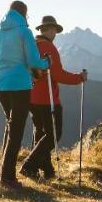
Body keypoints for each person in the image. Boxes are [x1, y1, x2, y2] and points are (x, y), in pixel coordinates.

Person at [0, 1, 50, 188]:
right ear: (24, 14)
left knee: (10, 127)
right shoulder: (25, 32)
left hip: (0, 86)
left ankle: (4, 175)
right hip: (20, 86)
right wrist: (46, 63)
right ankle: (7, 178)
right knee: (16, 132)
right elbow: (33, 60)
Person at [21, 15, 87, 180]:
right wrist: (79, 78)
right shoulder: (49, 48)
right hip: (47, 99)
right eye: (54, 30)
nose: (55, 34)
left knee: (40, 132)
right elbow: (57, 75)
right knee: (53, 135)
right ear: (48, 29)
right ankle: (29, 165)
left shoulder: (32, 46)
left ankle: (46, 170)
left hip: (30, 96)